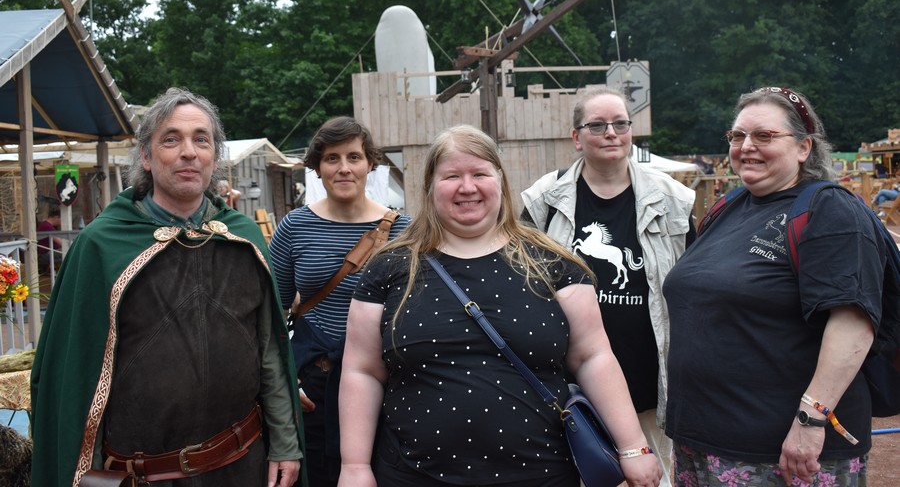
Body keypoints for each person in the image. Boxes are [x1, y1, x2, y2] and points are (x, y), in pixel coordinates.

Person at [338, 124, 662, 487]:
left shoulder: (553, 262)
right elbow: (362, 371)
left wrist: (633, 446)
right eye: (452, 176)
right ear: (430, 186)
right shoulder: (389, 267)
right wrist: (354, 466)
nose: (467, 187)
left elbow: (593, 357)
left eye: (480, 174)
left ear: (500, 181)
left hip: (542, 475)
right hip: (412, 475)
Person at [30, 88, 305, 487]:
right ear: (146, 156)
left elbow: (270, 353)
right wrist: (86, 474)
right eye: (171, 139)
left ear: (214, 157)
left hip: (243, 465)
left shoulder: (243, 240)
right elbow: (75, 378)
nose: (188, 152)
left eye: (201, 140)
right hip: (142, 477)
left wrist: (285, 444)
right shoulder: (101, 247)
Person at [663, 86, 884, 486]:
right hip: (702, 438)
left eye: (764, 136)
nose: (746, 146)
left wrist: (810, 420)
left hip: (780, 450)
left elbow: (853, 323)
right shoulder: (727, 206)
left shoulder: (830, 210)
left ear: (803, 147)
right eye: (737, 136)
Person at [521, 87, 695, 487]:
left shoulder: (673, 200)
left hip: (649, 384)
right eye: (597, 125)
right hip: (567, 392)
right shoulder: (544, 200)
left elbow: (692, 289)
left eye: (620, 123)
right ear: (576, 137)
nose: (611, 133)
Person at [269, 116, 410, 487]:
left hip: (384, 383)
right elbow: (270, 314)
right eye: (332, 158)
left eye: (353, 157)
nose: (344, 168)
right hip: (314, 384)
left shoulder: (403, 230)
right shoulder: (294, 227)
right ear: (317, 167)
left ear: (370, 163)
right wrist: (284, 379)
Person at [36, 207, 63, 273]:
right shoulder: (47, 226)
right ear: (56, 217)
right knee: (69, 252)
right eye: (61, 219)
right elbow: (60, 242)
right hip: (44, 254)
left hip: (46, 252)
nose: (60, 222)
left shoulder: (46, 225)